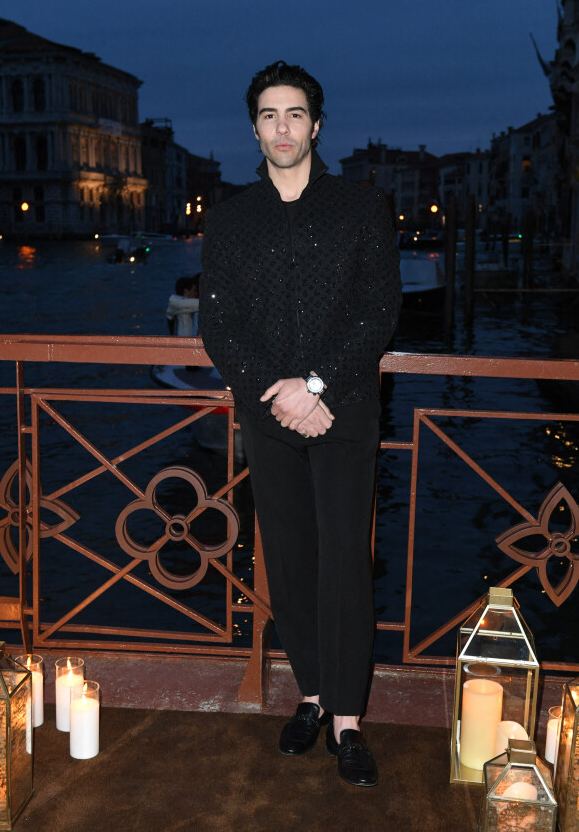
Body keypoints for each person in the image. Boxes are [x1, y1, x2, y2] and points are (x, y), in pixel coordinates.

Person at [199, 60, 401, 787]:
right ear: (254, 128)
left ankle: (349, 719)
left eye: (294, 115)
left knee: (345, 561)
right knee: (286, 561)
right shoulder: (230, 219)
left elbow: (378, 309)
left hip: (343, 410)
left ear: (316, 125)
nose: (281, 128)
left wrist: (314, 386)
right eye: (268, 116)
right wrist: (276, 393)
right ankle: (311, 696)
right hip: (269, 414)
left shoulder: (359, 207)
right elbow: (220, 324)